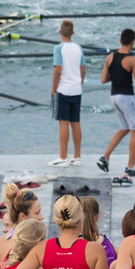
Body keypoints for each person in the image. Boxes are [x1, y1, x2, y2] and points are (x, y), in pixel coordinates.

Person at [97, 29, 135, 184]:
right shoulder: (131, 60)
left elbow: (103, 79)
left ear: (120, 41)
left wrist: (116, 75)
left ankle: (105, 157)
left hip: (114, 97)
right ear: (133, 42)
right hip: (126, 97)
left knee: (124, 128)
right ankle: (130, 167)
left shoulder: (110, 57)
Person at [47, 20, 86, 168]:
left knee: (63, 123)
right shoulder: (78, 48)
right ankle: (76, 156)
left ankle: (63, 156)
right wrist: (79, 83)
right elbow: (83, 69)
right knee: (75, 122)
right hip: (76, 89)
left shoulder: (58, 48)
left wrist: (53, 89)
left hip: (63, 89)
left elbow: (57, 71)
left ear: (60, 32)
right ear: (73, 33)